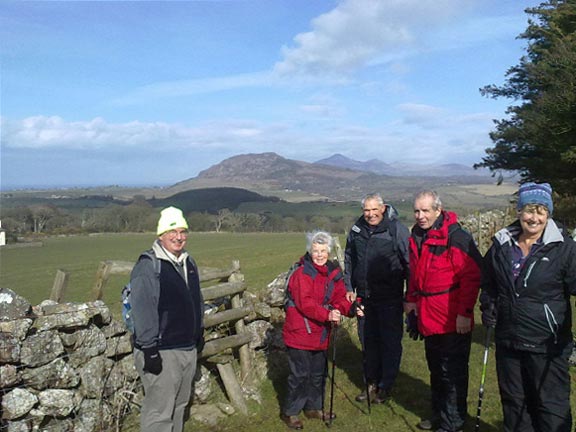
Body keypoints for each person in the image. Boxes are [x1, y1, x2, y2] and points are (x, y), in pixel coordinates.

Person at [480, 182, 576, 432]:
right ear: (519, 212)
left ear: (549, 215)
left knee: (550, 407)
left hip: (547, 344)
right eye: (529, 210)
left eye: (541, 211)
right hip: (509, 340)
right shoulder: (501, 244)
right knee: (514, 405)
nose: (534, 218)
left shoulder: (564, 248)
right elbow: (489, 282)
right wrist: (488, 305)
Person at [404, 190, 481, 432]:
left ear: (438, 210)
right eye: (417, 210)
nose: (420, 215)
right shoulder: (416, 236)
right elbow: (414, 276)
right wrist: (412, 303)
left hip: (451, 318)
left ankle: (454, 423)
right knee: (436, 370)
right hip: (428, 316)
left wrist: (464, 313)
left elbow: (472, 276)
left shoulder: (456, 237)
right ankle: (439, 414)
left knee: (453, 374)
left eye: (425, 210)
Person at [130, 206, 204, 432]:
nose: (179, 237)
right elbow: (142, 309)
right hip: (162, 350)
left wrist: (199, 332)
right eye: (173, 231)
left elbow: (196, 300)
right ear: (161, 234)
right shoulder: (149, 266)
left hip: (187, 347)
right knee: (159, 412)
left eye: (183, 231)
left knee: (180, 406)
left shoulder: (188, 262)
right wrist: (149, 349)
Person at [281, 231, 355, 430]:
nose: (319, 255)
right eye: (315, 251)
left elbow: (340, 297)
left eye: (323, 250)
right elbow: (305, 303)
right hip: (300, 332)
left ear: (329, 251)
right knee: (300, 375)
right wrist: (327, 315)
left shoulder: (332, 271)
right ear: (309, 250)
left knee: (317, 373)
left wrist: (351, 309)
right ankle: (291, 412)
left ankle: (314, 408)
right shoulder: (301, 273)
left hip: (320, 333)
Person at [344, 192, 410, 403]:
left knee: (389, 342)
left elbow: (409, 262)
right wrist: (349, 286)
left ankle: (385, 385)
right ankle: (370, 383)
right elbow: (349, 258)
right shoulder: (356, 229)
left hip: (389, 297)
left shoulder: (395, 229)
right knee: (368, 342)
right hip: (364, 297)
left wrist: (411, 295)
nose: (370, 214)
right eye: (366, 210)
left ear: (383, 208)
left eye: (374, 209)